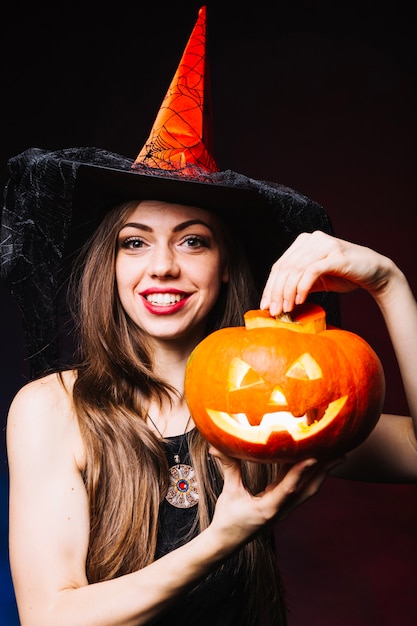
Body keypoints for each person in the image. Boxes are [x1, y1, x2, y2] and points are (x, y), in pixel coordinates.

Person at [2, 7, 417, 626]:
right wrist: (229, 533)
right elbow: (50, 617)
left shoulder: (272, 407)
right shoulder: (53, 409)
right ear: (110, 267)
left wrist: (390, 286)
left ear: (225, 265)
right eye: (134, 243)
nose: (162, 266)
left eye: (193, 240)